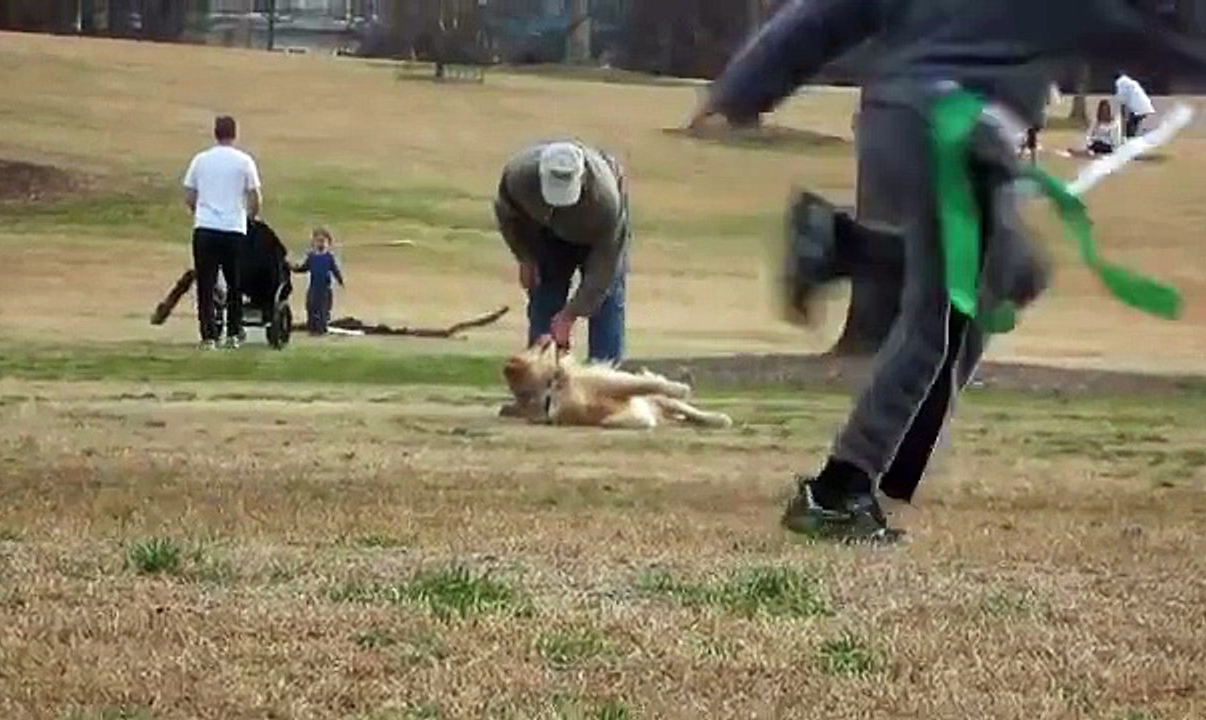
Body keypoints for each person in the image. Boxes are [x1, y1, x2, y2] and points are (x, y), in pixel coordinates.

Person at [689, 0, 1206, 543]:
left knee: (1012, 274)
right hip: (963, 135)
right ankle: (839, 490)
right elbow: (1140, 34)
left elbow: (823, 16)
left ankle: (845, 249)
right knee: (936, 316)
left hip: (895, 119)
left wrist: (743, 90)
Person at [492, 139, 630, 363]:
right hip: (546, 232)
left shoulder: (606, 201)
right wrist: (525, 257)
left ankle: (605, 376)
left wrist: (570, 315)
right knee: (545, 294)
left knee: (606, 302)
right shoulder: (519, 177)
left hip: (596, 233)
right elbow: (509, 217)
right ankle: (539, 379)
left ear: (582, 180)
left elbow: (603, 270)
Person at [182, 115, 263, 350]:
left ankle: (208, 336)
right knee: (234, 282)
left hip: (206, 228)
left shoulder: (201, 160)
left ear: (215, 133)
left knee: (206, 285)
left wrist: (200, 212)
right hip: (233, 228)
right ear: (234, 134)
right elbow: (255, 196)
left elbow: (189, 194)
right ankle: (234, 332)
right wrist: (251, 217)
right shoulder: (244, 161)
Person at [290, 227, 346, 335]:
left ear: (328, 243)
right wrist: (293, 268)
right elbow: (304, 268)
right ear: (313, 243)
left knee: (323, 310)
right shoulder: (311, 257)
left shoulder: (329, 257)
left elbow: (335, 270)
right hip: (313, 288)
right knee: (311, 307)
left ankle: (321, 328)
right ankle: (312, 328)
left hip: (325, 289)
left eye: (323, 241)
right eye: (318, 241)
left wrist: (340, 280)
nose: (320, 244)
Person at [1115, 71, 1156, 140]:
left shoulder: (1120, 82)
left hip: (1137, 107)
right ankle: (1132, 138)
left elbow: (1122, 98)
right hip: (1143, 105)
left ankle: (1130, 139)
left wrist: (1123, 111)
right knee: (1133, 124)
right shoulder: (1131, 82)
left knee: (1131, 125)